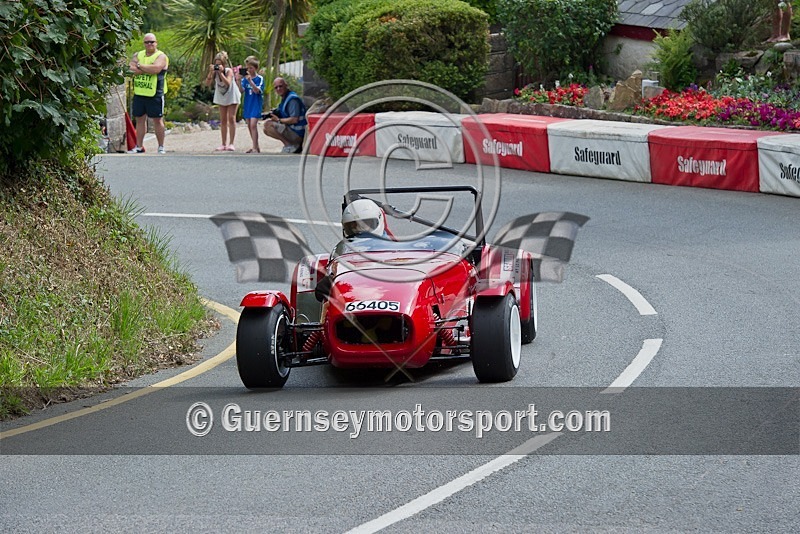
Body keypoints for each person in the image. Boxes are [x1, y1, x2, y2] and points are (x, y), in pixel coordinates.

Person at [128, 33, 169, 154]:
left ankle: (161, 146)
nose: (149, 44)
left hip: (155, 93)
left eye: (152, 42)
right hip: (140, 92)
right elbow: (131, 69)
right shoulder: (138, 54)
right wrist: (147, 68)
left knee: (157, 120)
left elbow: (156, 69)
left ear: (156, 43)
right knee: (140, 119)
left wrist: (140, 66)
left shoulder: (161, 56)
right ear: (144, 43)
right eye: (147, 42)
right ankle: (139, 146)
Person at [205, 51, 240, 151]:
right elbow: (207, 83)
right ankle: (223, 143)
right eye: (216, 64)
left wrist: (220, 73)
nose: (217, 66)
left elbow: (228, 83)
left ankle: (231, 143)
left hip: (231, 94)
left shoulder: (229, 71)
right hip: (221, 95)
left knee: (231, 118)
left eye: (219, 64)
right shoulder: (214, 72)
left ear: (224, 64)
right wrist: (211, 73)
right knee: (223, 119)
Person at [263, 77, 307, 154]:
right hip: (293, 130)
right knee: (265, 129)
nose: (278, 89)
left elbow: (294, 119)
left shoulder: (292, 100)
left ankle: (289, 145)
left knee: (268, 125)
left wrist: (278, 120)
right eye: (276, 87)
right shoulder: (285, 98)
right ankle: (293, 145)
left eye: (280, 86)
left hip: (298, 133)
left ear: (286, 85)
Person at [240, 56, 265, 153]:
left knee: (253, 124)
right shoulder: (244, 80)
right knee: (249, 124)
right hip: (248, 103)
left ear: (255, 68)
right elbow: (241, 91)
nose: (249, 70)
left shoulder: (259, 78)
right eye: (247, 68)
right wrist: (238, 80)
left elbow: (257, 91)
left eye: (251, 68)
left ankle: (255, 147)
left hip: (256, 103)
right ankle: (255, 145)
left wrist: (250, 81)